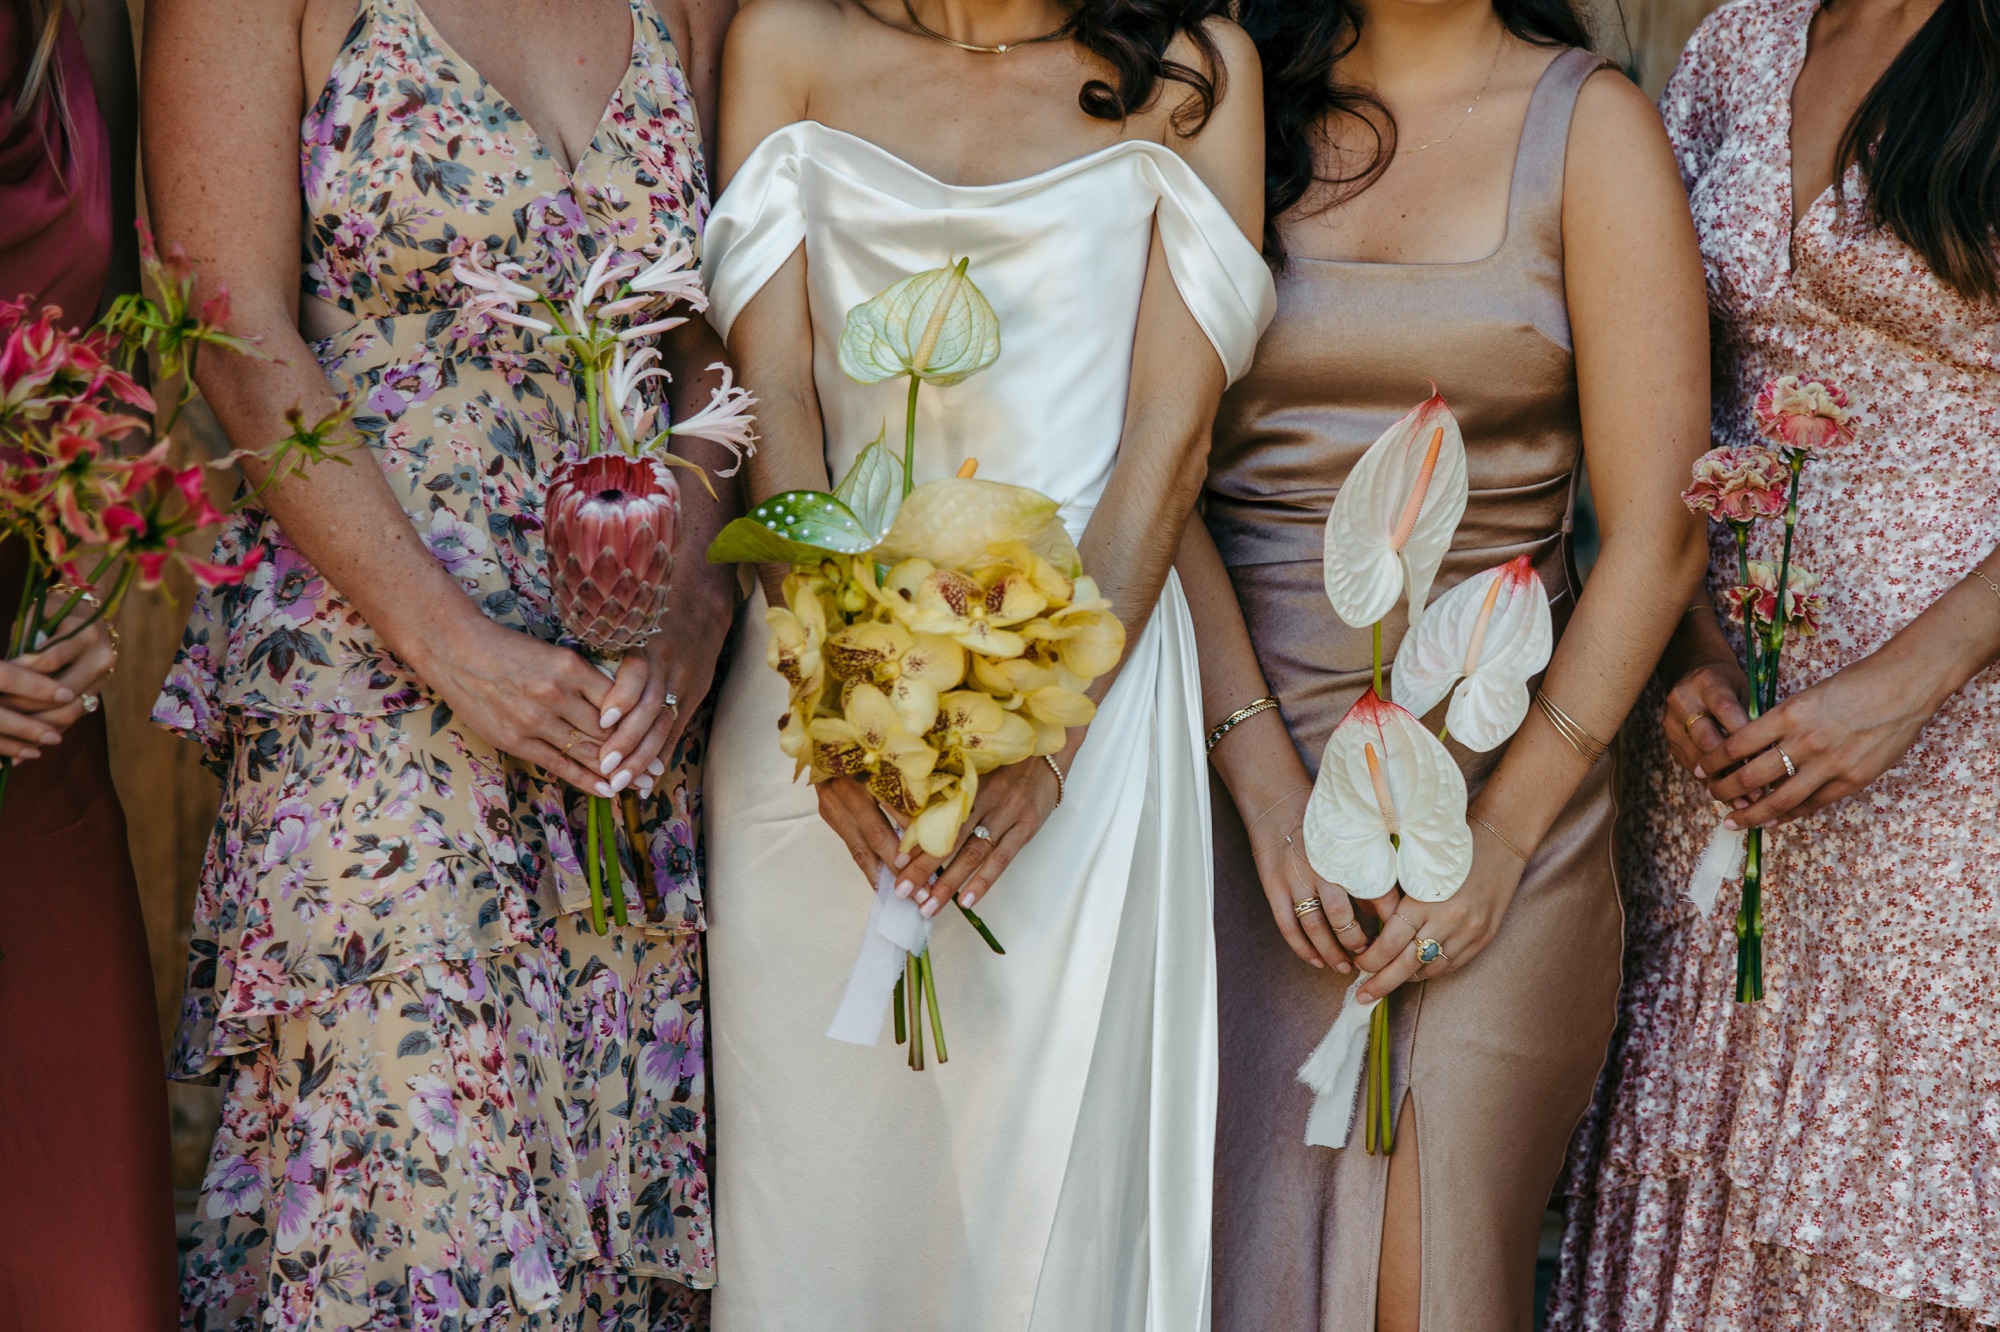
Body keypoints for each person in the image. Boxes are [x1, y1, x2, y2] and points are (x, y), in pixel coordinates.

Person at [141, 0, 739, 1324]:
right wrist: (451, 647)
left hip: (627, 713)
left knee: (604, 1205)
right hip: (376, 683)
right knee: (415, 1200)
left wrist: (696, 595)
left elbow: (715, 346)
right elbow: (233, 331)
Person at [696, 1, 1272, 1327]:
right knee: (818, 1225)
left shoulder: (1193, 75)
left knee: (1041, 1238)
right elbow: (772, 387)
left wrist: (1047, 736)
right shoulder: (787, 40)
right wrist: (836, 698)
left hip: (1086, 713)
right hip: (820, 713)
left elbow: (1167, 441)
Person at [1174, 0, 1714, 1324]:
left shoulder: (1590, 129)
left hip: (1506, 794)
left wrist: (1510, 839)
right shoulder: (1225, 99)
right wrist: (1253, 774)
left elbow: (1658, 532)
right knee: (1226, 1262)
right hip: (1226, 777)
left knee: (1431, 1279)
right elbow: (1147, 470)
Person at [1551, 0, 2000, 1323]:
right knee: (1703, 1144)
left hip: (1952, 764)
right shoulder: (1741, 44)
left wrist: (1913, 680)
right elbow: (1663, 384)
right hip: (1715, 742)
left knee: (1877, 1199)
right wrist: (1678, 633)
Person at [0, 3, 177, 1328]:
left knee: (97, 1290)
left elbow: (112, 359)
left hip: (34, 765)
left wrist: (96, 532)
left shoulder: (87, 30)